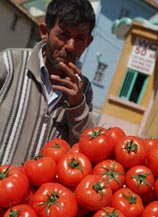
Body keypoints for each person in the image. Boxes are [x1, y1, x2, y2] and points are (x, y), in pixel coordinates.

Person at [0, 0, 95, 165]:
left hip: (39, 191)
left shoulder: (83, 90)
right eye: (63, 35)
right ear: (45, 32)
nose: (71, 46)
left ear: (88, 42)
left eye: (80, 38)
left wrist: (77, 106)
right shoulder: (10, 63)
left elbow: (85, 150)